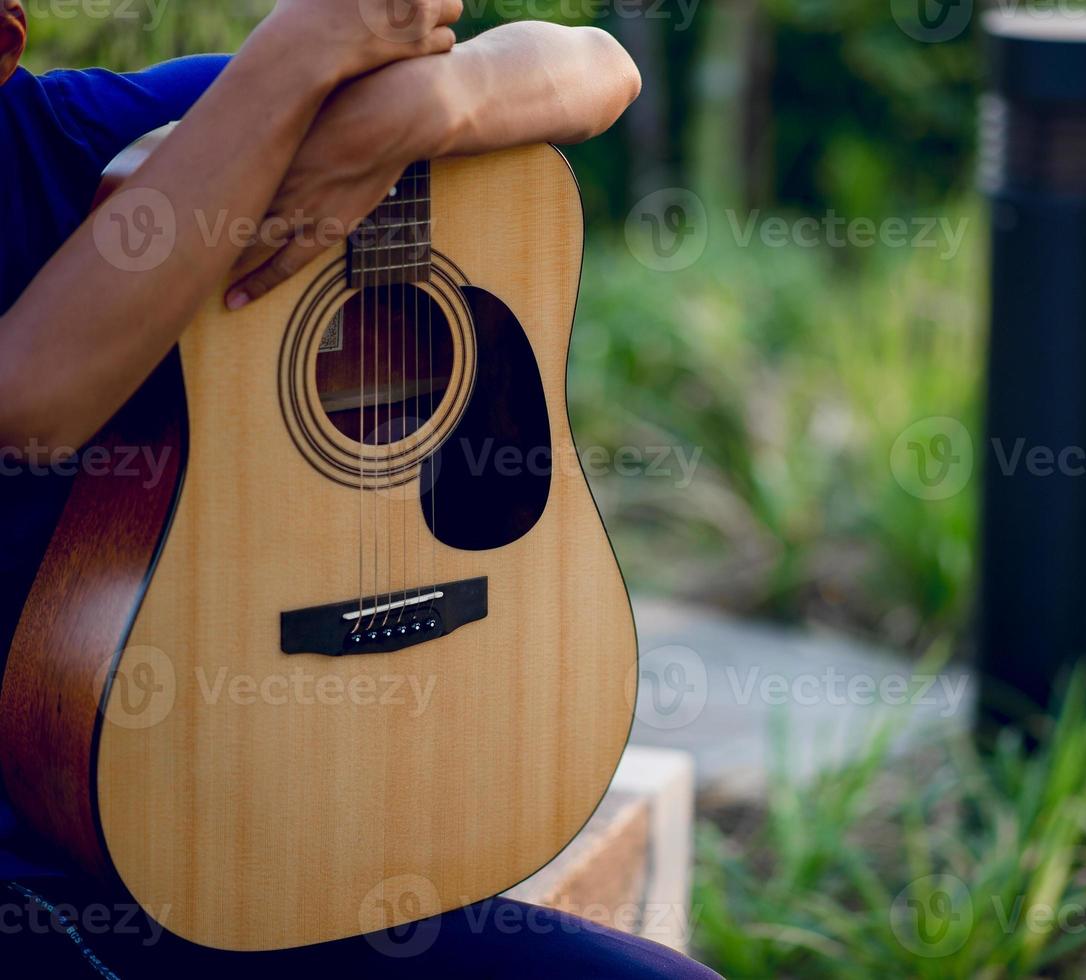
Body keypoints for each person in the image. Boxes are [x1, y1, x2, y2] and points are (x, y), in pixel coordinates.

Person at [0, 1, 718, 975]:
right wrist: (292, 57)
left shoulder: (79, 134)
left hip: (291, 794)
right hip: (77, 837)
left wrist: (432, 101)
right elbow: (32, 404)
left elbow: (598, 67)